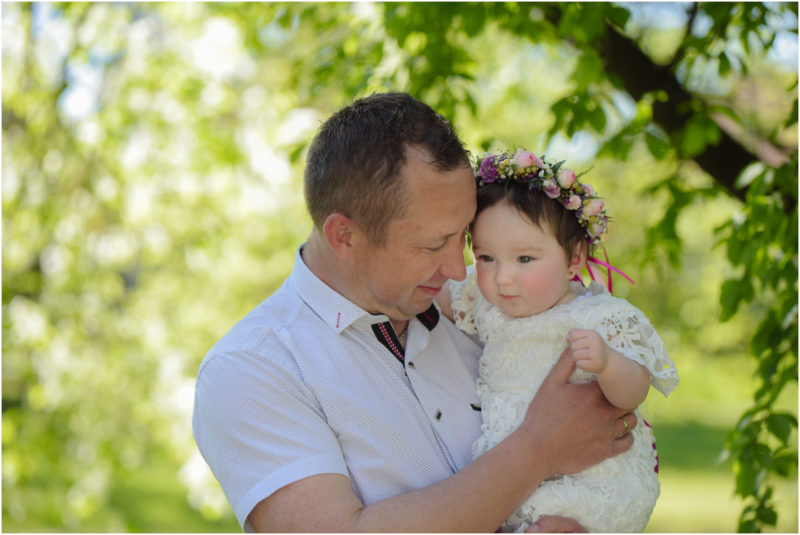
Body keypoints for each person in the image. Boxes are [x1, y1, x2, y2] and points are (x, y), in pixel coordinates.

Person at [192, 93, 637, 533]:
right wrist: (538, 449)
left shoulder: (486, 306)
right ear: (344, 236)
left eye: (463, 236)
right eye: (430, 244)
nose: (454, 267)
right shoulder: (252, 369)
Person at [435, 148, 680, 532]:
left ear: (574, 259)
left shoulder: (599, 316)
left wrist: (607, 363)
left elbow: (634, 392)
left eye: (525, 260)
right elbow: (431, 294)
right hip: (515, 469)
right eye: (485, 257)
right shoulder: (484, 301)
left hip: (591, 478)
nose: (503, 278)